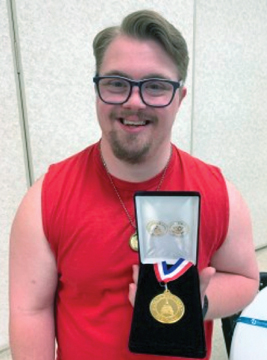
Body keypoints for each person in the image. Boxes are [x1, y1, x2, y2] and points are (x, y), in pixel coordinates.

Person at [9, 9, 259, 360]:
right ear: (97, 88)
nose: (134, 101)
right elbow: (29, 312)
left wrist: (197, 301)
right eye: (116, 83)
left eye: (156, 86)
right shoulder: (44, 200)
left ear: (180, 98)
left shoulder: (220, 194)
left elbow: (245, 280)